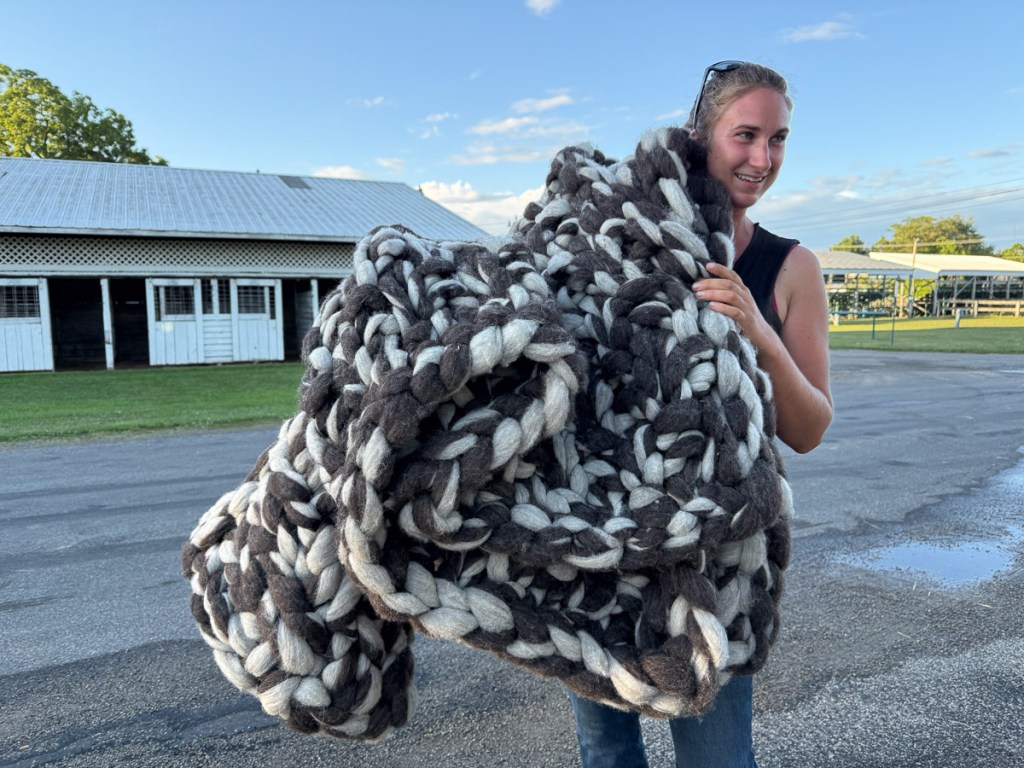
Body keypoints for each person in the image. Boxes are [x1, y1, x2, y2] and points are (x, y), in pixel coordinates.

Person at [567, 61, 834, 768]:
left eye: (778, 139)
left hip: (720, 565)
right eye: (745, 135)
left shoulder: (791, 267)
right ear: (699, 136)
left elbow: (810, 429)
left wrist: (758, 330)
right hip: (605, 546)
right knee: (605, 751)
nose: (762, 159)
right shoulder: (624, 247)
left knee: (717, 758)